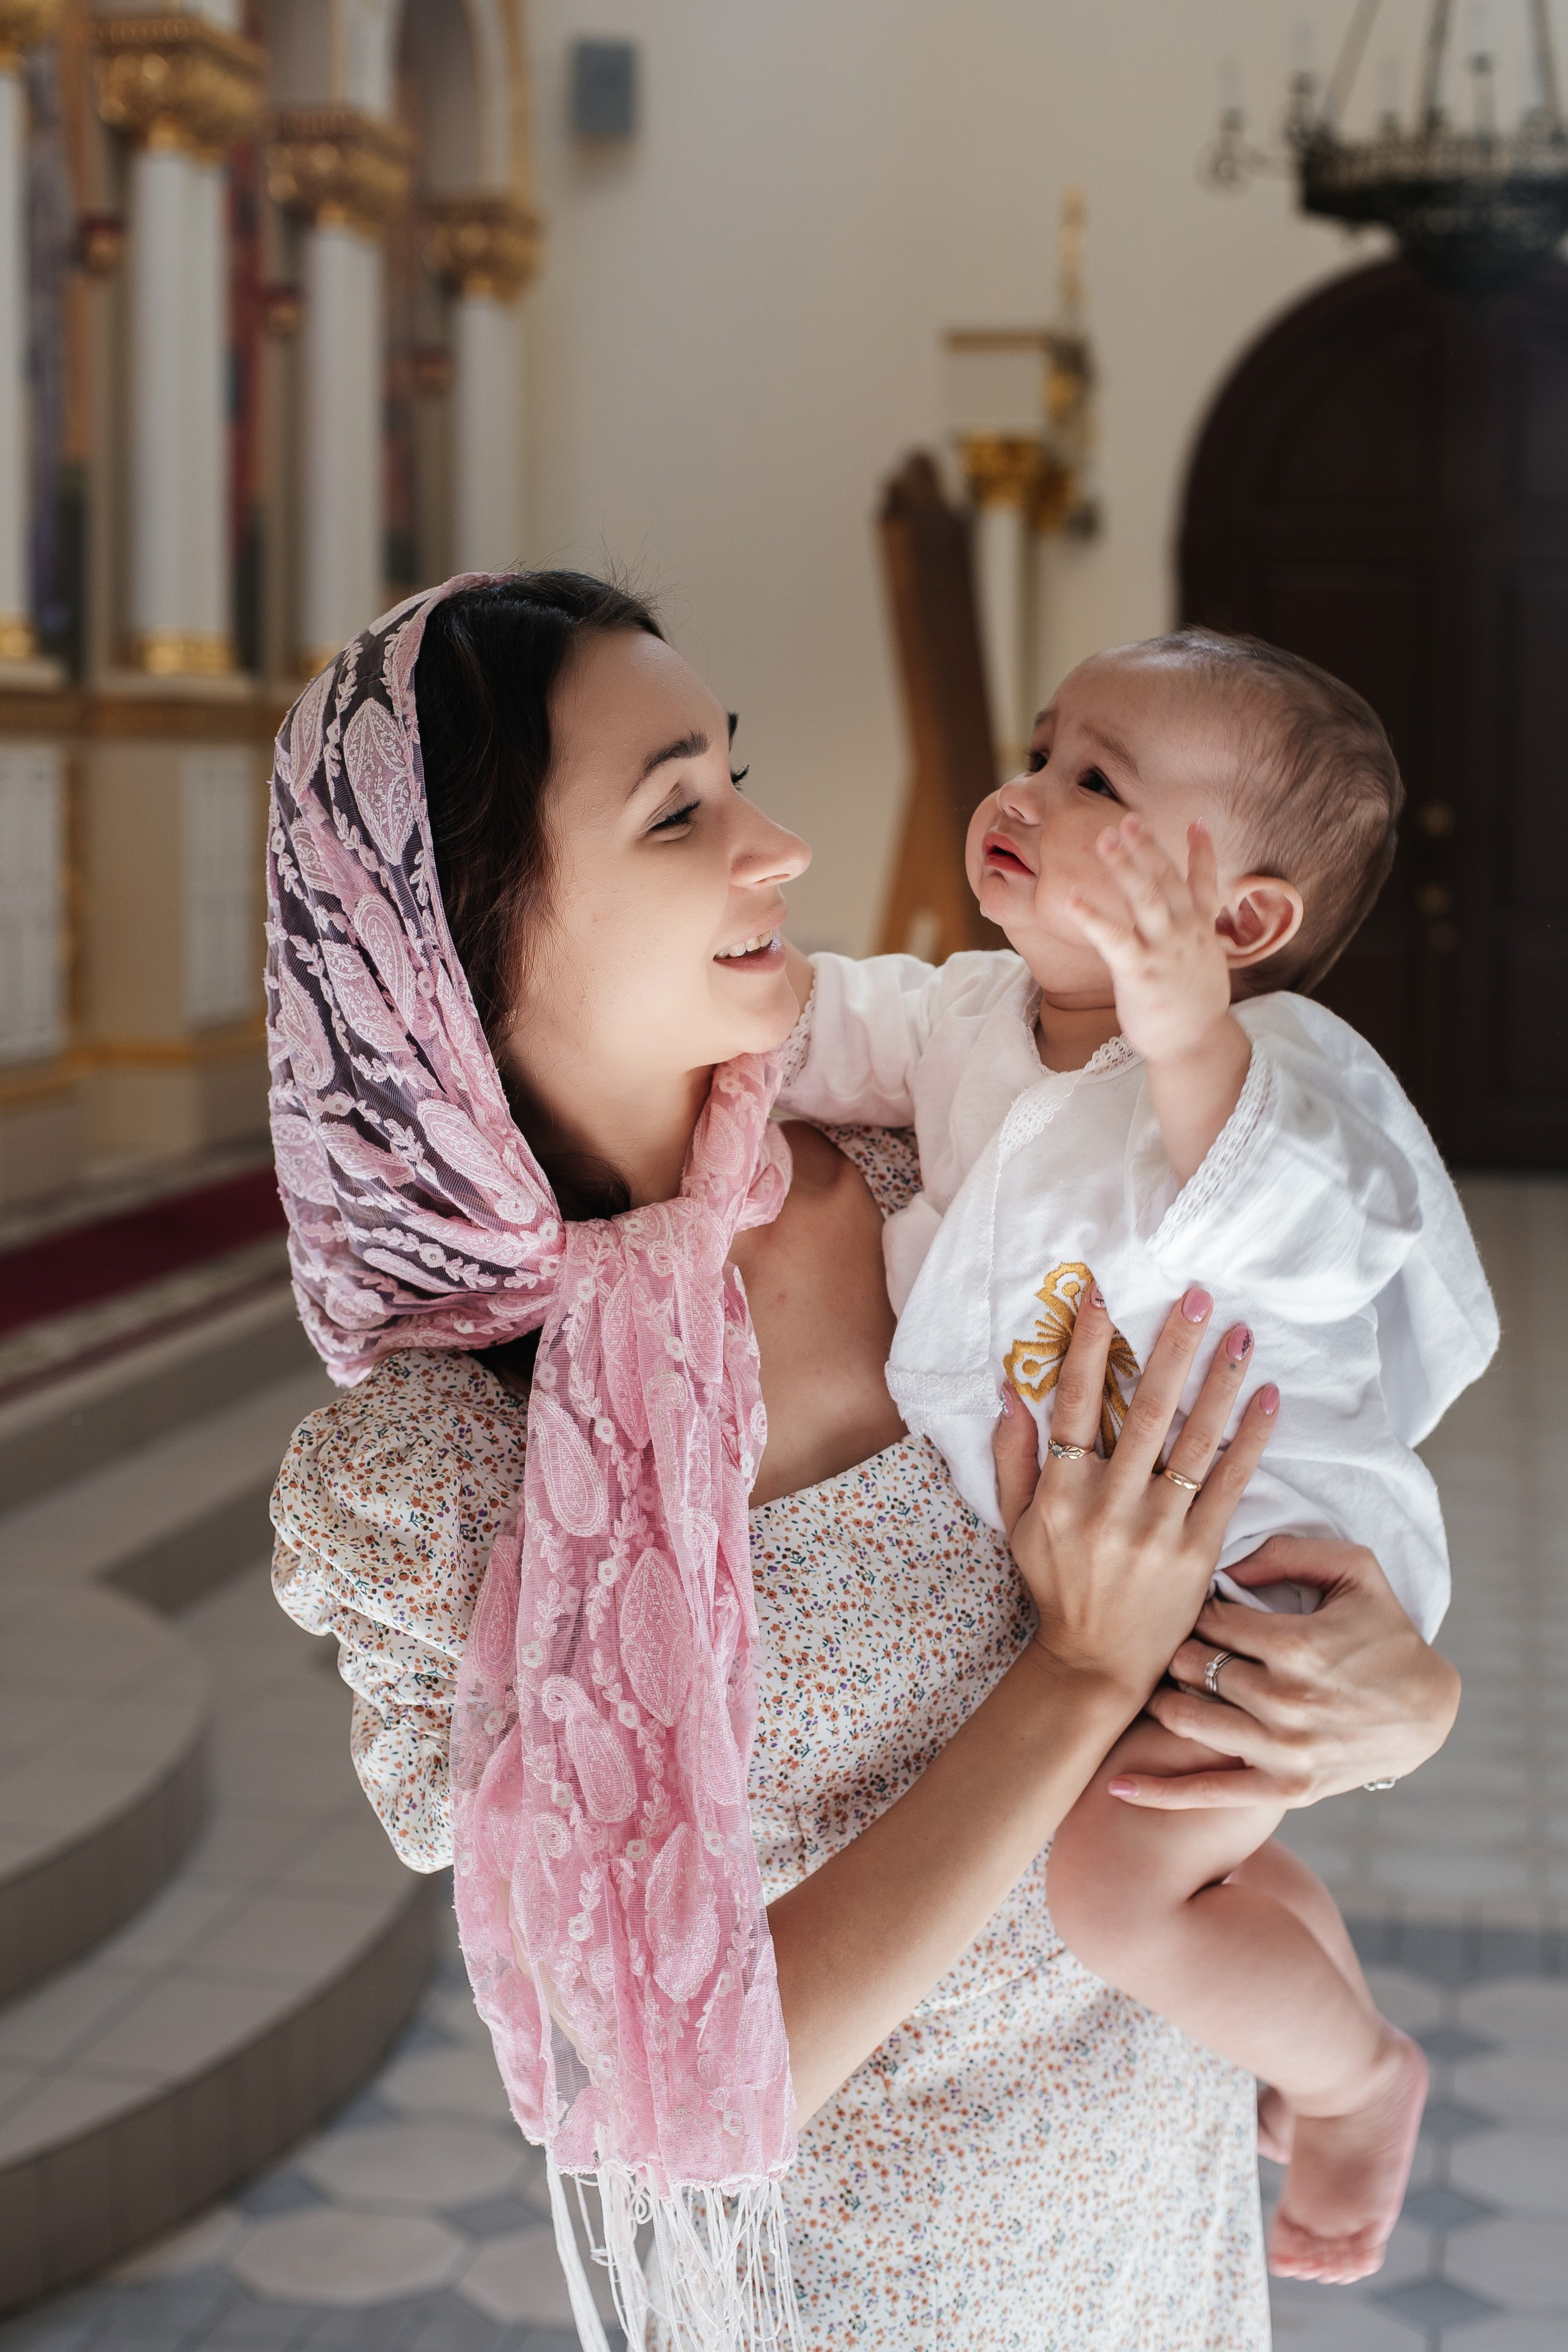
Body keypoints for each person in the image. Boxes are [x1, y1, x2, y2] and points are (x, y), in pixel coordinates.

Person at [268, 574, 1461, 2352]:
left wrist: (1397, 1702)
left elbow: (1276, 1446)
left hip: (1154, 2187)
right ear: (451, 935)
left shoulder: (955, 1182)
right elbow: (669, 2088)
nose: (781, 846)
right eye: (682, 809)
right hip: (874, 2290)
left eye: (735, 778)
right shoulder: (446, 1464)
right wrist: (1076, 1670)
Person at [772, 627, 1498, 2286]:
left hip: (1273, 1578)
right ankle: (1338, 2033)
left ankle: (1352, 2081)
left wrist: (1188, 1040)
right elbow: (802, 1023)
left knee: (1112, 1892)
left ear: (1240, 923)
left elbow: (1319, 1225)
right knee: (1194, 1852)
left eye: (1096, 780)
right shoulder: (968, 1019)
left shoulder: (1282, 1075)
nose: (1024, 790)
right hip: (1139, 1588)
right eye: (1042, 747)